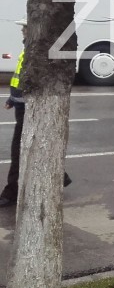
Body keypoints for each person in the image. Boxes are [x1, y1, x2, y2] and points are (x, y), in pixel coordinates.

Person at [1, 19, 71, 208]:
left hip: (30, 110)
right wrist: (12, 99)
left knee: (20, 151)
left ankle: (11, 193)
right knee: (37, 147)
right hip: (23, 108)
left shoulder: (36, 52)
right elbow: (20, 79)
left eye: (25, 28)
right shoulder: (30, 49)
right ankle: (60, 177)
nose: (22, 32)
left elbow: (34, 83)